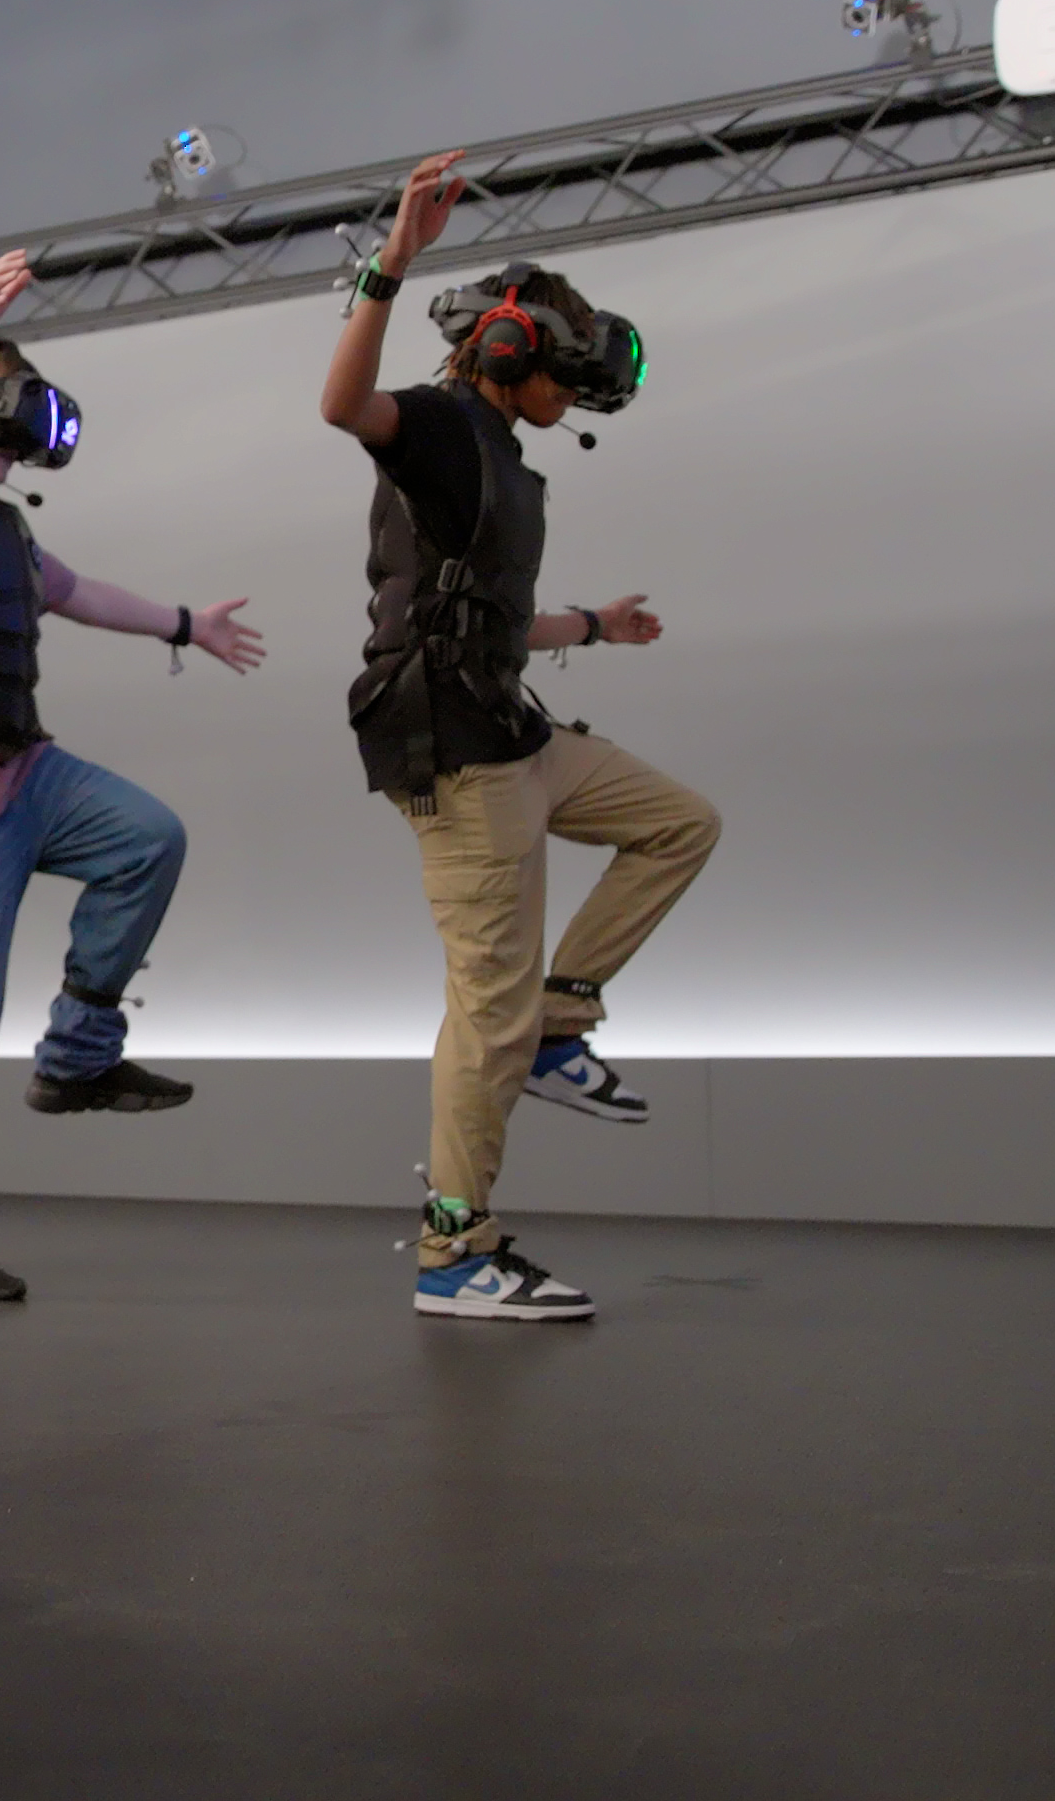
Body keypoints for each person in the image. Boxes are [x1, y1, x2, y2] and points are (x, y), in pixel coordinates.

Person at [317, 151, 722, 1323]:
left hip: (514, 728)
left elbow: (478, 611)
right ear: (505, 351)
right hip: (453, 749)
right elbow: (343, 407)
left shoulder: (501, 456)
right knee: (481, 1009)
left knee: (677, 824)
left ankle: (563, 1020)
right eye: (560, 369)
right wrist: (391, 263)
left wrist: (592, 626)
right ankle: (457, 1251)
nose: (571, 394)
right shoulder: (443, 426)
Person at [0, 249, 262, 1301]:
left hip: (18, 772)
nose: (31, 412)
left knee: (147, 838)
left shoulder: (4, 525)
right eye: (13, 387)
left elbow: (78, 594)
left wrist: (185, 625)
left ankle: (78, 1052)